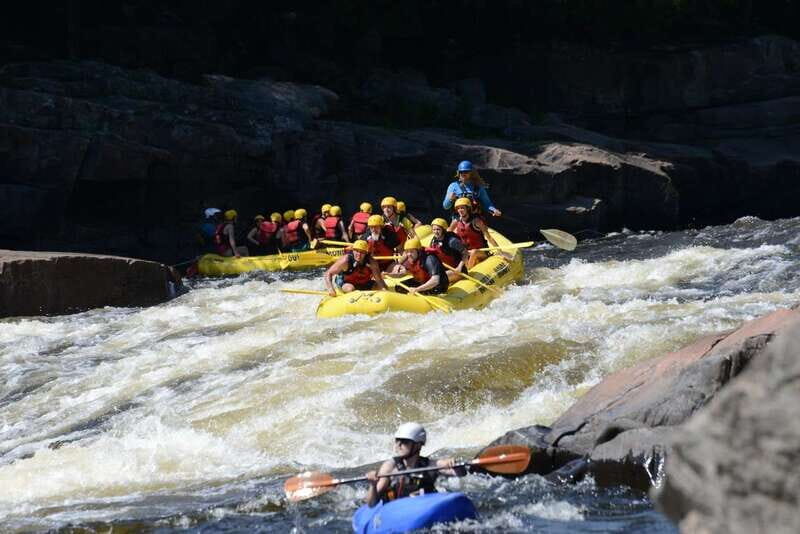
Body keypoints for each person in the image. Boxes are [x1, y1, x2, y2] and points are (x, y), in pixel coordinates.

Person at [365, 423, 465, 507]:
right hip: (395, 510)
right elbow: (371, 503)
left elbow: (460, 473)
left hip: (424, 507)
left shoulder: (430, 465)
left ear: (417, 445)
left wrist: (455, 464)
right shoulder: (390, 467)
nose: (398, 445)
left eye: (404, 442)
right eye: (397, 441)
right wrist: (373, 485)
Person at [323, 239, 387, 296]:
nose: (359, 254)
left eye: (362, 252)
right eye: (357, 251)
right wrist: (330, 288)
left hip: (363, 282)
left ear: (366, 253)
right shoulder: (345, 260)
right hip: (346, 283)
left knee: (379, 287)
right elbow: (328, 273)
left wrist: (384, 290)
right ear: (353, 251)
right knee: (350, 289)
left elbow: (379, 280)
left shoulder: (372, 262)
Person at [448, 198, 499, 268]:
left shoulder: (476, 221)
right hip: (466, 253)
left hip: (481, 252)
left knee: (474, 252)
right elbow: (447, 233)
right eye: (458, 208)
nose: (460, 210)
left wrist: (500, 251)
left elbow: (489, 237)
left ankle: (469, 270)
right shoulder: (456, 221)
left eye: (462, 208)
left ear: (468, 209)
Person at [427, 218, 468, 283]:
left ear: (443, 230)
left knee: (438, 278)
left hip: (458, 270)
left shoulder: (452, 241)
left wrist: (459, 267)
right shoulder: (434, 241)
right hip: (446, 270)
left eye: (438, 229)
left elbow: (465, 253)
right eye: (434, 229)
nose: (435, 232)